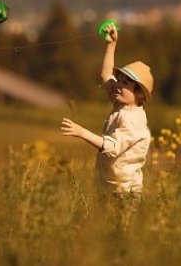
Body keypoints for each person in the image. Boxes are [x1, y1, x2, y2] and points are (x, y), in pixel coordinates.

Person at [60, 22, 153, 196]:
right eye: (120, 79)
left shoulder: (134, 119)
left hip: (125, 192)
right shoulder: (122, 104)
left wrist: (81, 132)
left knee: (121, 224)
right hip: (108, 186)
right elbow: (106, 76)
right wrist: (111, 45)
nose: (118, 85)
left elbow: (112, 146)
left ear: (139, 94)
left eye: (126, 83)